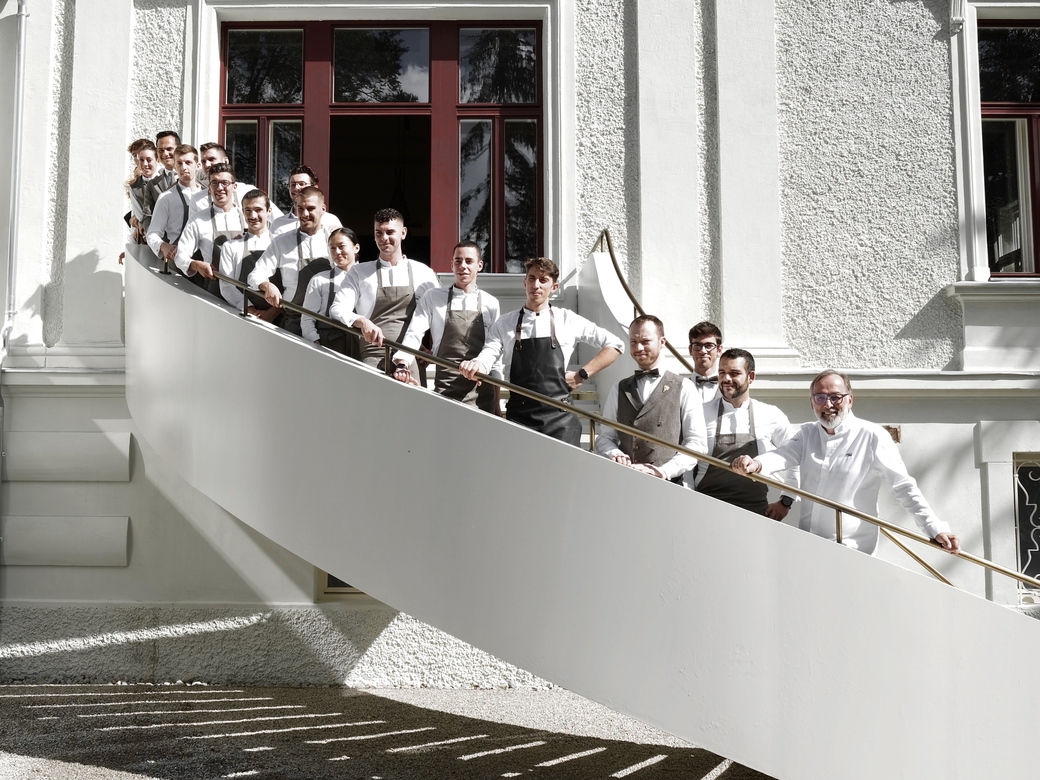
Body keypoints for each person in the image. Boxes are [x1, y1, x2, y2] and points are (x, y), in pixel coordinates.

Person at [732, 370, 962, 555]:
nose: (828, 404)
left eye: (835, 397)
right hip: (809, 543)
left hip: (853, 549)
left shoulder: (873, 436)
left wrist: (935, 528)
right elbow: (784, 455)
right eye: (820, 398)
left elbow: (903, 486)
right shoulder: (808, 433)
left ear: (850, 400)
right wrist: (756, 464)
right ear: (812, 403)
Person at [459, 257, 624, 446]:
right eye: (531, 278)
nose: (536, 285)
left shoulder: (568, 319)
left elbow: (616, 344)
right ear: (525, 282)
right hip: (519, 418)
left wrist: (582, 374)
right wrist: (476, 365)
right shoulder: (505, 323)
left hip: (560, 419)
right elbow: (488, 354)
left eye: (543, 280)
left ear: (554, 287)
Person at [390, 241, 501, 412]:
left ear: (480, 265)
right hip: (445, 387)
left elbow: (495, 355)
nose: (462, 266)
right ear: (451, 265)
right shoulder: (433, 297)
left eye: (469, 261)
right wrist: (402, 363)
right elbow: (414, 332)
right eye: (458, 261)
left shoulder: (491, 303)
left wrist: (497, 402)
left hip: (481, 392)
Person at [329, 207, 440, 374]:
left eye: (390, 232)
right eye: (378, 233)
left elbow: (439, 315)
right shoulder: (359, 272)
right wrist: (362, 322)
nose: (384, 238)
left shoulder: (424, 273)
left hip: (409, 359)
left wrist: (432, 350)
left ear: (403, 233)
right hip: (371, 358)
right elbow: (337, 309)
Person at [596, 315, 706, 482]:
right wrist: (614, 453)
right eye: (633, 342)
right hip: (625, 481)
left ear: (662, 342)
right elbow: (605, 437)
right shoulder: (618, 388)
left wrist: (664, 471)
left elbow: (697, 443)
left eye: (645, 341)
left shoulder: (685, 387)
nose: (638, 348)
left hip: (668, 484)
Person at [691, 348, 798, 518]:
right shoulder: (700, 413)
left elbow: (796, 454)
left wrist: (786, 500)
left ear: (751, 377)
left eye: (734, 373)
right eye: (722, 372)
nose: (726, 379)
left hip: (755, 513)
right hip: (705, 510)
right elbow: (686, 461)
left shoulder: (770, 415)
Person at [248, 186, 335, 336]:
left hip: (329, 323)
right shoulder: (282, 242)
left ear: (323, 209)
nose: (305, 214)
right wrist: (266, 285)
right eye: (300, 209)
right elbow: (255, 275)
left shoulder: (335, 242)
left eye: (310, 208)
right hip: (295, 321)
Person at [174, 162, 245, 293]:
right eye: (214, 183)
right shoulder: (198, 220)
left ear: (234, 187)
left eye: (225, 183)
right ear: (209, 188)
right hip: (215, 291)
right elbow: (180, 256)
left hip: (246, 290)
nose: (219, 188)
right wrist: (197, 265)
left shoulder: (248, 218)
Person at [218, 189, 278, 323]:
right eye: (248, 210)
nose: (253, 216)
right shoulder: (231, 247)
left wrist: (272, 313)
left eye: (258, 210)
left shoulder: (280, 244)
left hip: (280, 317)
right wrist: (251, 310)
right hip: (244, 317)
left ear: (269, 211)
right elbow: (227, 286)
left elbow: (289, 285)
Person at [301, 226, 362, 358]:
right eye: (332, 248)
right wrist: (315, 342)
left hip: (362, 345)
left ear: (356, 248)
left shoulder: (368, 278)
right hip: (328, 345)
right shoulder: (319, 280)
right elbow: (307, 318)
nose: (337, 252)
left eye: (341, 246)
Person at [146, 144, 203, 267]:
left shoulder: (208, 196)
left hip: (206, 259)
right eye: (179, 163)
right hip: (178, 260)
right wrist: (163, 246)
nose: (184, 167)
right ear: (175, 167)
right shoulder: (166, 198)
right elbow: (152, 234)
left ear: (198, 165)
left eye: (188, 162)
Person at [270, 165, 343, 236]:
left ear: (314, 188)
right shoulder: (277, 224)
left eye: (302, 184)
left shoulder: (330, 220)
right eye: (293, 184)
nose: (296, 188)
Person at [128, 140, 161, 241]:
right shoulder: (134, 186)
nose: (144, 164)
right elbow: (140, 214)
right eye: (140, 159)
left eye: (148, 159)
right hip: (146, 232)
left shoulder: (166, 178)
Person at [688, 321, 723, 402]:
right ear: (690, 350)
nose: (703, 351)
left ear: (719, 350)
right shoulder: (679, 387)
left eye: (709, 346)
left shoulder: (731, 387)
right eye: (697, 345)